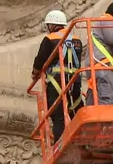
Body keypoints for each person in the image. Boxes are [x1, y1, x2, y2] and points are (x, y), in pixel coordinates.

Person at [30, 9, 82, 141]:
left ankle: (60, 143)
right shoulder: (76, 40)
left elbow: (40, 60)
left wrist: (35, 74)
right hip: (74, 80)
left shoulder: (49, 39)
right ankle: (82, 141)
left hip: (56, 81)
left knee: (58, 115)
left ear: (51, 25)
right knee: (76, 110)